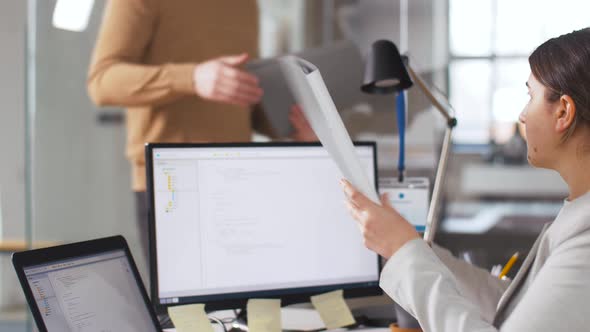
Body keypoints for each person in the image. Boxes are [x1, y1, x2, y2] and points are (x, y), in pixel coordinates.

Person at [341, 28, 590, 331]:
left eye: (531, 96)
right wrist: (416, 248)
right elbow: (513, 307)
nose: (522, 116)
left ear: (563, 111)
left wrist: (402, 250)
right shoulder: (578, 214)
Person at [87, 0, 315, 260]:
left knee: (247, 297)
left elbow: (242, 98)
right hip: (170, 182)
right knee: (181, 302)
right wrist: (192, 78)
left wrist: (289, 127)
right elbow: (101, 82)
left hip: (236, 178)